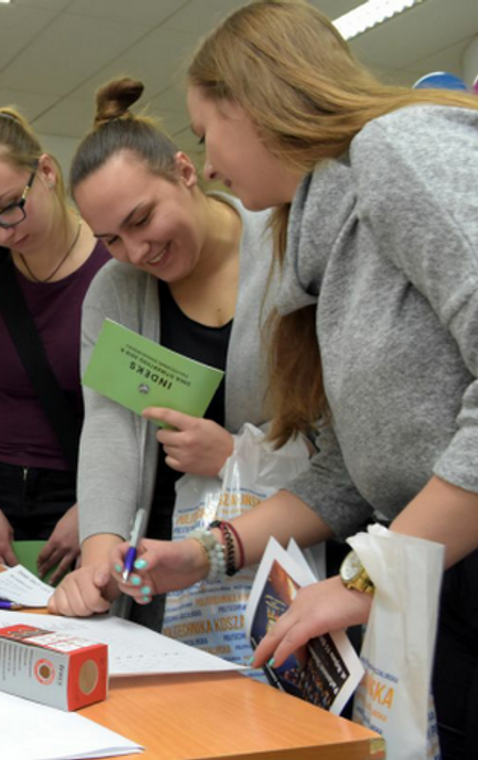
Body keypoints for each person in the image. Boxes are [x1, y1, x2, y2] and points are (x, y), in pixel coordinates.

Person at [109, 3, 478, 756]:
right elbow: (351, 470)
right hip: (434, 575)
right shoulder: (317, 245)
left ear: (254, 103)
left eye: (207, 134)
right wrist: (206, 553)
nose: (208, 165)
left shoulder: (395, 149)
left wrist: (366, 581)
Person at [47, 78, 276, 631]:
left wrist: (238, 455)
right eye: (110, 240)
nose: (136, 251)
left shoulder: (284, 248)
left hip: (286, 549)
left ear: (186, 171)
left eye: (142, 219)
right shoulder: (116, 291)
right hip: (165, 565)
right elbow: (110, 425)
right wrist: (101, 553)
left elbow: (333, 436)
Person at [0, 106, 111, 583]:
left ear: (48, 172)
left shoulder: (113, 263)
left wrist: (96, 508)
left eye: (10, 204)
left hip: (83, 486)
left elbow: (138, 412)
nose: (2, 232)